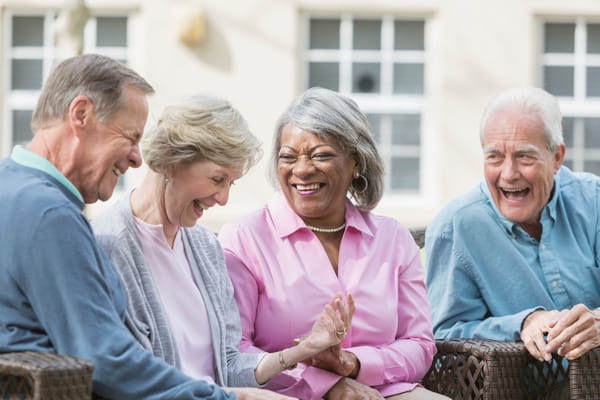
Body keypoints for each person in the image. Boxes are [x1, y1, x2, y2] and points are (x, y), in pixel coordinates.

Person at [1, 53, 240, 400]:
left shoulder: (13, 187)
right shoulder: (50, 215)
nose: (137, 157)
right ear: (80, 114)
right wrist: (227, 398)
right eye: (130, 136)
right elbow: (106, 361)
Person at [92, 95, 355, 400]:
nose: (223, 199)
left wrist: (303, 350)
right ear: (171, 162)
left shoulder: (205, 246)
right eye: (218, 179)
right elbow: (133, 380)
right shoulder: (107, 246)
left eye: (231, 183)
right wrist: (239, 397)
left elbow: (230, 364)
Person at [219, 87, 448, 400]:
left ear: (355, 162)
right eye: (288, 157)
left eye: (320, 155)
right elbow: (235, 353)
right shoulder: (245, 237)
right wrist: (326, 385)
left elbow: (419, 345)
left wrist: (353, 365)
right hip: (285, 393)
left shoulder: (392, 239)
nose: (301, 170)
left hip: (384, 391)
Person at [425, 86, 600, 364]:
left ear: (557, 158)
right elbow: (443, 338)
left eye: (524, 156)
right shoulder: (455, 228)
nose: (508, 173)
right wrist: (521, 323)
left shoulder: (594, 200)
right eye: (494, 156)